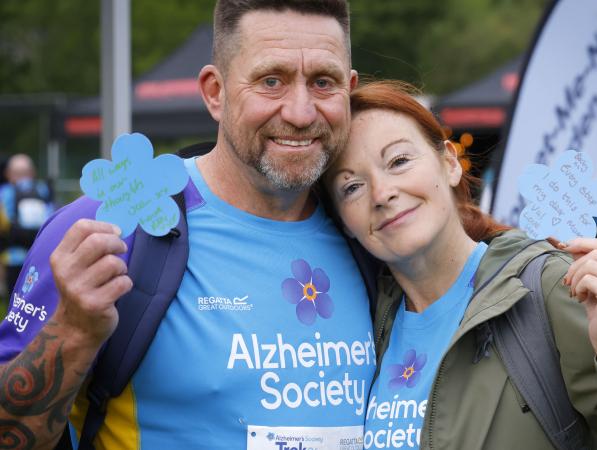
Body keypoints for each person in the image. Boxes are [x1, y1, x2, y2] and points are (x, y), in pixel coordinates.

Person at [0, 1, 376, 448]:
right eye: (271, 81)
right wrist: (74, 332)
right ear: (215, 92)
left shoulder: (374, 235)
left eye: (323, 82)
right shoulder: (111, 226)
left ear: (349, 91)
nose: (300, 112)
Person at [324, 81, 597, 449]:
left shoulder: (548, 288)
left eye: (398, 161)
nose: (382, 193)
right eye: (351, 186)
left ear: (449, 163)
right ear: (344, 219)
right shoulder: (368, 325)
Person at [0, 153, 54, 297]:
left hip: (13, 257)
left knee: (14, 301)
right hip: (39, 256)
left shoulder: (5, 192)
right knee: (37, 300)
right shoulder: (42, 189)